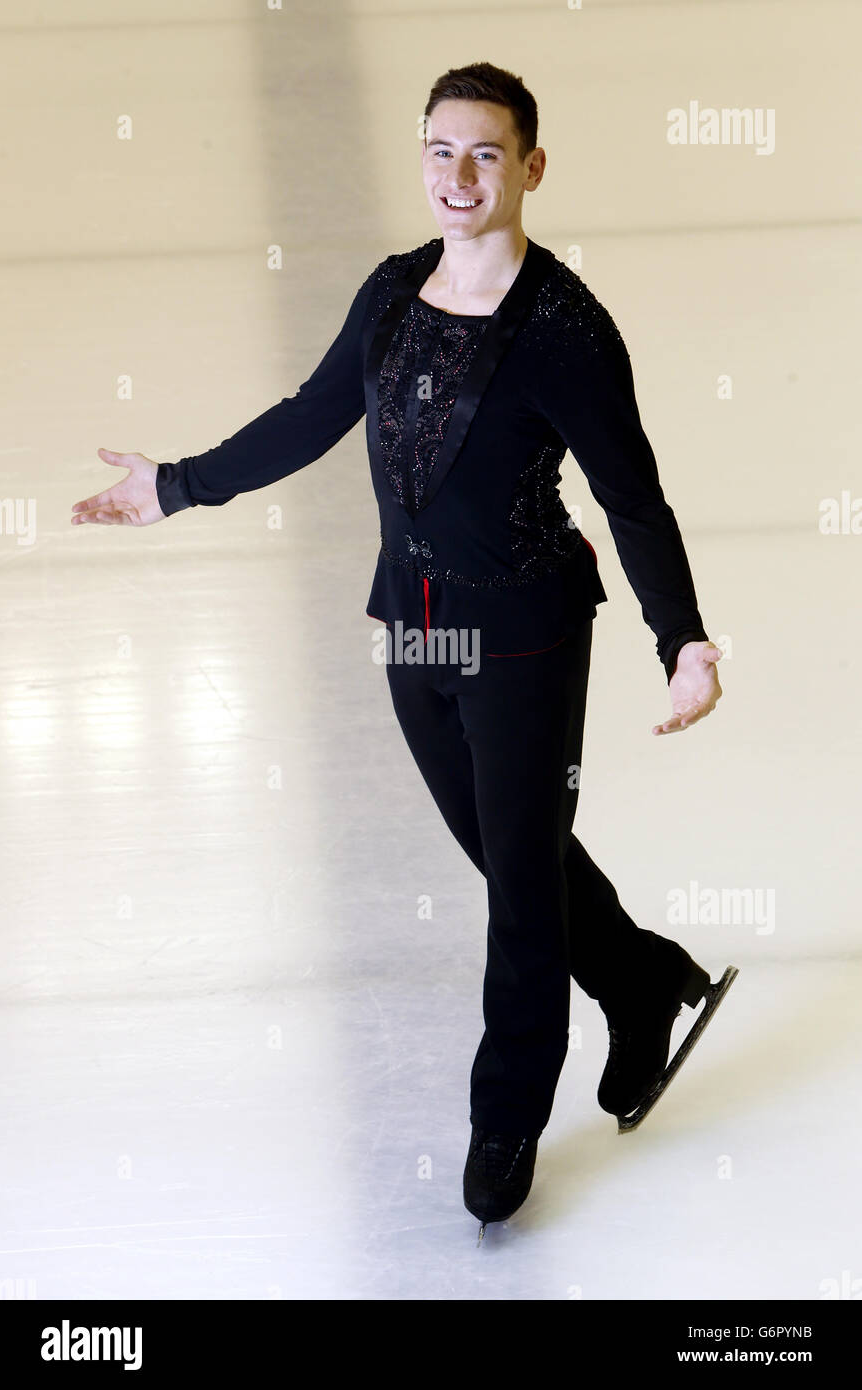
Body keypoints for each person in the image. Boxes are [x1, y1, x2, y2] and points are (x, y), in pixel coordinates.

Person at [72, 61, 735, 1241]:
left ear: (530, 168)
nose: (459, 175)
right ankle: (640, 980)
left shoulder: (566, 330)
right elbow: (309, 416)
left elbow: (633, 496)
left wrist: (680, 639)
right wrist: (172, 488)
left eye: (486, 154)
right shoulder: (391, 292)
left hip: (527, 632)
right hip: (415, 625)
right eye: (441, 151)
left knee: (521, 887)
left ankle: (504, 1116)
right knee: (505, 848)